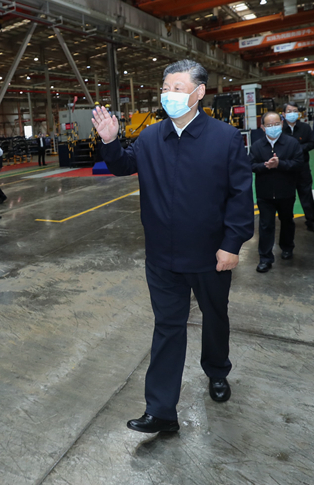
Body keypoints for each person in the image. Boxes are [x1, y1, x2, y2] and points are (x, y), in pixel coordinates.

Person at [94, 59, 253, 433]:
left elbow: (240, 196)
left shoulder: (225, 138)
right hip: (162, 257)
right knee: (167, 327)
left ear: (199, 93)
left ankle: (217, 371)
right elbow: (122, 165)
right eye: (165, 88)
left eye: (177, 88)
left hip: (210, 255)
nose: (169, 95)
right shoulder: (151, 137)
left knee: (215, 317)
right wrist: (110, 141)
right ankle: (162, 411)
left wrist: (232, 244)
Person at [251, 112, 304, 273]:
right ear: (262, 127)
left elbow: (298, 164)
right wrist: (265, 166)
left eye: (276, 124)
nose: (273, 127)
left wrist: (280, 164)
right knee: (265, 225)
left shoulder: (291, 143)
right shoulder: (257, 146)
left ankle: (287, 247)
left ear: (281, 124)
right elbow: (250, 165)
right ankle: (265, 258)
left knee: (287, 221)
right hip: (265, 193)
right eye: (269, 125)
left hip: (286, 191)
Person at [282, 103, 314, 233]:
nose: (292, 113)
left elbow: (312, 142)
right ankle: (287, 222)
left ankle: (312, 221)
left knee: (306, 195)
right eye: (289, 111)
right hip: (285, 168)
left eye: (295, 111)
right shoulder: (280, 128)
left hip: (302, 167)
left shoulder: (305, 127)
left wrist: (298, 148)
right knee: (287, 197)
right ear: (283, 114)